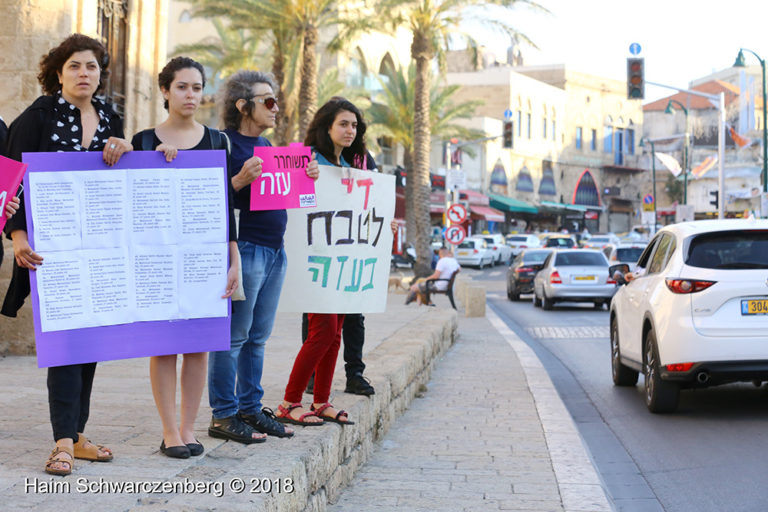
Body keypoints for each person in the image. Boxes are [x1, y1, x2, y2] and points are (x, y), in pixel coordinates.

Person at [1, 34, 132, 476]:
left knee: (88, 345)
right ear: (59, 72)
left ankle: (76, 435)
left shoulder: (111, 116)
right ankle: (61, 442)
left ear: (100, 74)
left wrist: (125, 149)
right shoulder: (39, 116)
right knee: (65, 345)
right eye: (75, 66)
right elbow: (9, 181)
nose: (83, 74)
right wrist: (17, 237)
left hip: (97, 254)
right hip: (48, 254)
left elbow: (123, 181)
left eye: (91, 67)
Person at [131, 56, 241, 458]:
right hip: (158, 260)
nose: (190, 95)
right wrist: (149, 162)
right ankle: (168, 432)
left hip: (205, 259)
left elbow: (223, 206)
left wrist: (234, 260)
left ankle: (189, 428)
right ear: (165, 90)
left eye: (197, 87)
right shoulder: (142, 142)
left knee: (198, 346)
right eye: (182, 87)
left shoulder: (218, 141)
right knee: (163, 346)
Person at [207, 70, 319, 443]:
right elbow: (209, 199)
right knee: (234, 336)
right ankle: (223, 414)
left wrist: (308, 176)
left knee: (258, 337)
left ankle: (249, 409)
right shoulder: (223, 144)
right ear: (243, 106)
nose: (276, 107)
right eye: (267, 101)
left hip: (275, 251)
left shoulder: (270, 145)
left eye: (276, 101)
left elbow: (286, 193)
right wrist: (237, 180)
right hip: (247, 249)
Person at [276, 98, 378, 427]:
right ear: (327, 127)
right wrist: (305, 176)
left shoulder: (351, 166)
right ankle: (290, 401)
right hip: (316, 259)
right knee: (322, 332)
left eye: (354, 125)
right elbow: (290, 199)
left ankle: (321, 401)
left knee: (335, 333)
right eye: (344, 124)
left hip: (343, 260)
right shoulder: (309, 160)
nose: (351, 130)